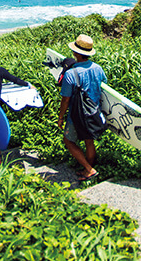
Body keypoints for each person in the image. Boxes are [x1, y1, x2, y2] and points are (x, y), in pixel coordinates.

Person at [57, 34, 106, 181]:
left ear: (76, 53)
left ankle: (89, 169)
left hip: (76, 114)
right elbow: (103, 85)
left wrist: (60, 117)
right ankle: (87, 169)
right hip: (93, 111)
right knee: (88, 141)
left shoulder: (71, 74)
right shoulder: (98, 68)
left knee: (68, 140)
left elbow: (65, 100)